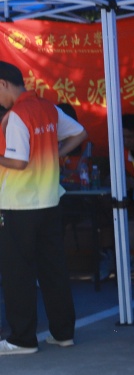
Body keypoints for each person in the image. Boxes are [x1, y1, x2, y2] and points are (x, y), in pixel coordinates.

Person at [0, 61, 87, 355]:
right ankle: (63, 333)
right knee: (53, 269)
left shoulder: (16, 115)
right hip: (49, 201)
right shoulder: (48, 108)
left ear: (3, 84)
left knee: (18, 272)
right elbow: (80, 133)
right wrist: (55, 153)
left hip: (18, 204)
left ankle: (22, 339)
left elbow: (18, 162)